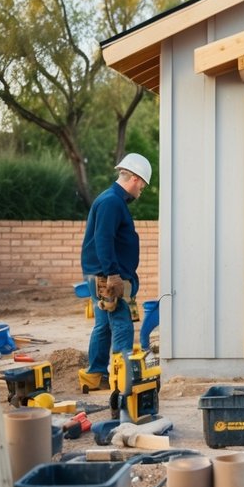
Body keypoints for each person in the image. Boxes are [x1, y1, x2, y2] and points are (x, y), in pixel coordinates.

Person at [78, 153, 152, 391]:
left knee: (104, 325)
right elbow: (103, 239)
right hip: (106, 276)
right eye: (143, 184)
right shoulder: (111, 202)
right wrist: (112, 275)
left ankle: (95, 374)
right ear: (135, 179)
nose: (142, 189)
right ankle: (123, 378)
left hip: (101, 273)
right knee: (121, 323)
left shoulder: (111, 200)